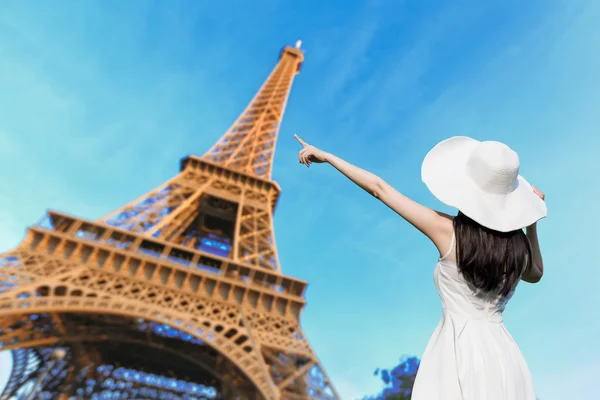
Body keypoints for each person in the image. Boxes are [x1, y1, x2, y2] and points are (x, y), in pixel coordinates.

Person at [294, 134, 546, 400]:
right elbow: (536, 274)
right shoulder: (517, 249)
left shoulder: (447, 231)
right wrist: (532, 220)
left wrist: (330, 157)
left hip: (458, 350)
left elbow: (380, 189)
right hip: (504, 356)